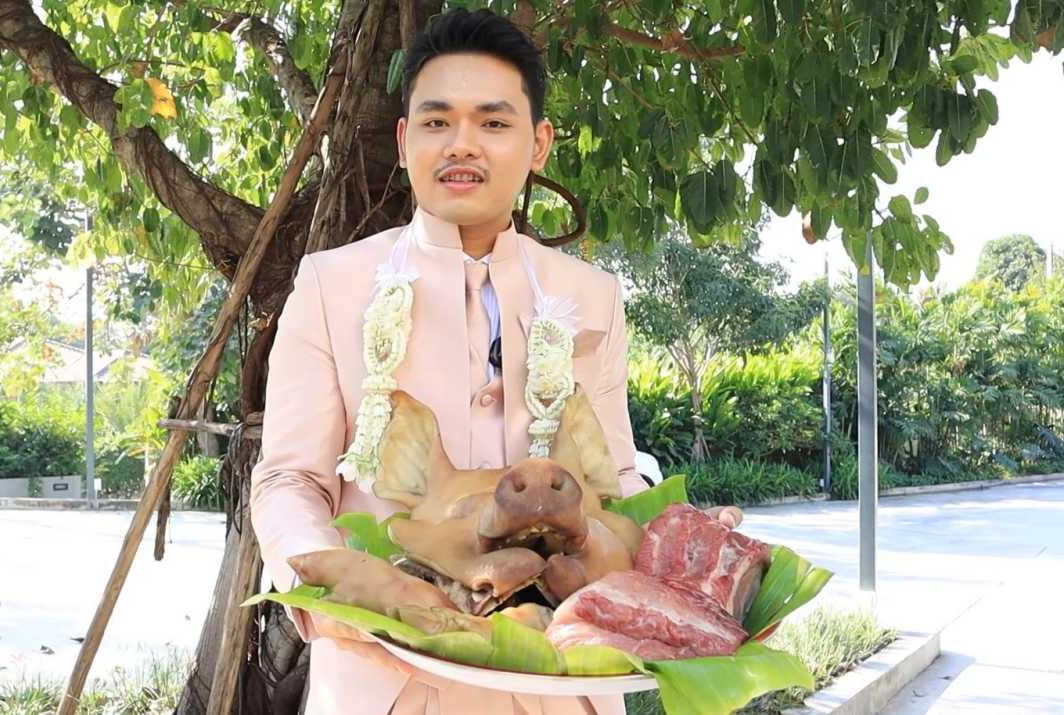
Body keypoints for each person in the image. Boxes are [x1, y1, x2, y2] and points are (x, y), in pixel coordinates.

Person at [250, 8, 740, 714]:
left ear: (538, 144)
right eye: (437, 121)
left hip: (559, 686)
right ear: (404, 141)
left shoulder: (591, 296)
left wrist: (682, 544)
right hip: (383, 680)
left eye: (493, 122)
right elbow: (291, 478)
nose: (462, 144)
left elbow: (614, 477)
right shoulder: (332, 284)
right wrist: (321, 576)